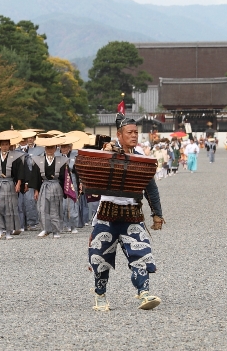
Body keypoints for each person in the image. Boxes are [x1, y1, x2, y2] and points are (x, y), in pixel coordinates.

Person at [88, 113, 165, 311]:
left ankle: (144, 293)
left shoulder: (141, 160)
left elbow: (151, 188)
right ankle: (100, 295)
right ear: (119, 135)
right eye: (129, 132)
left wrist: (157, 213)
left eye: (136, 132)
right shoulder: (107, 152)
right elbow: (92, 163)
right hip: (107, 213)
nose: (134, 136)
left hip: (132, 213)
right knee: (100, 257)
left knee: (141, 252)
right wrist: (107, 149)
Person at [0, 130, 25, 240]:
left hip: (9, 183)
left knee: (10, 208)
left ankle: (8, 232)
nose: (4, 147)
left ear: (9, 145)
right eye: (2, 144)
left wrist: (18, 183)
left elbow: (20, 172)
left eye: (6, 144)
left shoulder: (16, 157)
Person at [30, 137, 68, 238]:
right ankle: (45, 229)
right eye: (48, 148)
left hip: (56, 186)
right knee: (42, 208)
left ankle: (56, 231)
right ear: (45, 148)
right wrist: (36, 190)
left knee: (55, 209)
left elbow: (65, 177)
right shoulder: (38, 160)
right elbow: (36, 176)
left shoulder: (62, 160)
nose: (50, 150)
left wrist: (66, 191)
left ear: (55, 149)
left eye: (52, 148)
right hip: (44, 185)